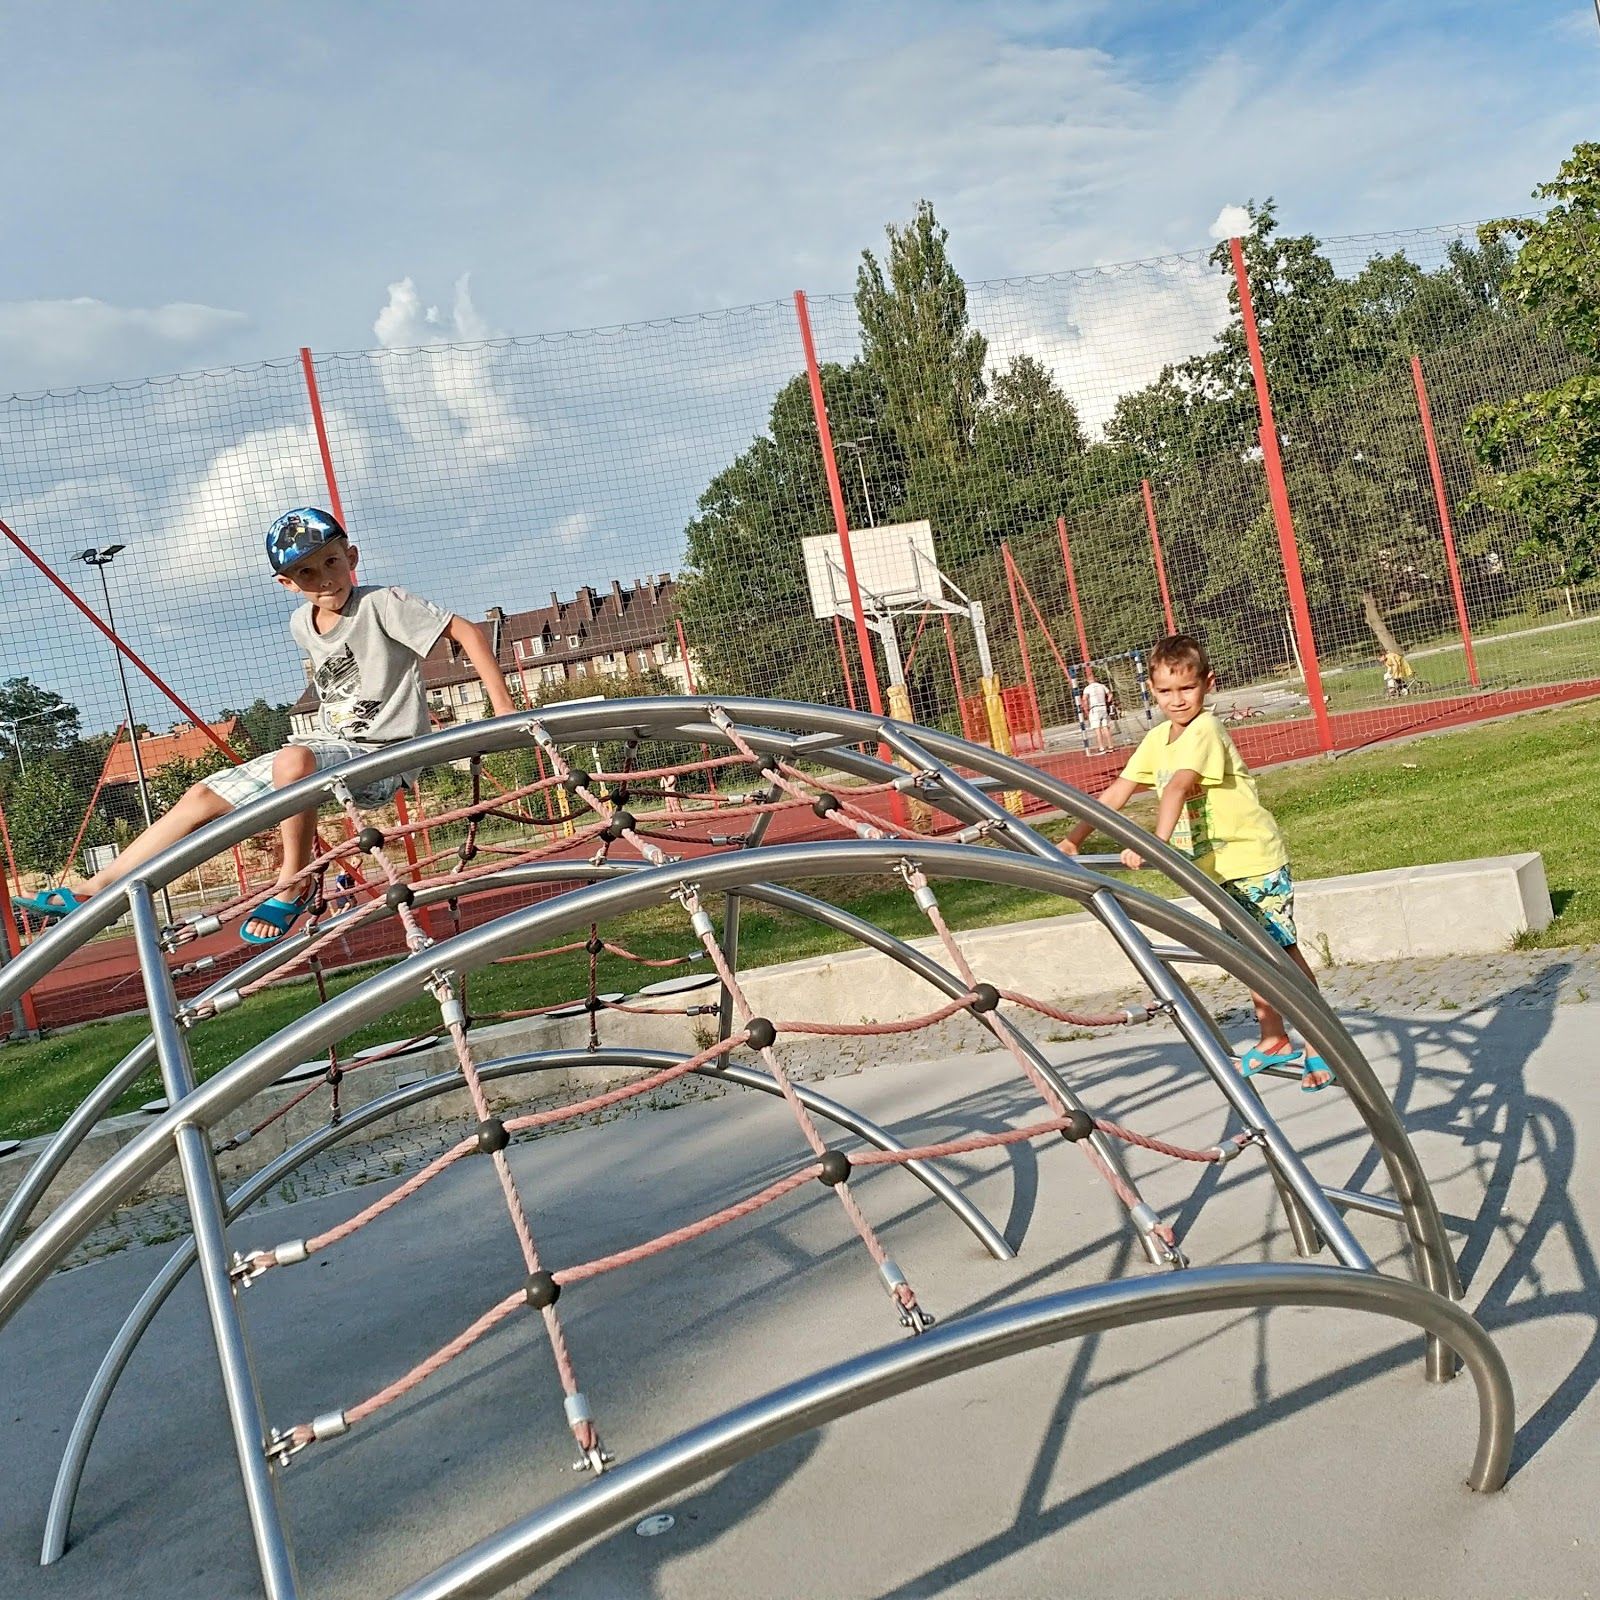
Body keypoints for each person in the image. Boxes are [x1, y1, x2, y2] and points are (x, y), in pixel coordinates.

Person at [14, 508, 515, 945]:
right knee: (200, 798)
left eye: (332, 563)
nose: (325, 580)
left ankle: (294, 881)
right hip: (327, 746)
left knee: (293, 760)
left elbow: (465, 631)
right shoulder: (303, 623)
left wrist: (503, 709)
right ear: (287, 584)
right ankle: (97, 887)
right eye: (307, 573)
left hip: (384, 758)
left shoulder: (382, 603)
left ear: (352, 557)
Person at [1063, 632, 1333, 1092]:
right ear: (1152, 690)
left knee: (1278, 953)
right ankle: (1273, 1039)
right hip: (1218, 870)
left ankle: (1320, 1041)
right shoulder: (1156, 739)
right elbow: (1116, 794)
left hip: (1252, 860)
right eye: (1166, 691)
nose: (1177, 700)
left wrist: (1156, 843)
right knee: (1250, 954)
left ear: (1208, 684)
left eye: (1187, 689)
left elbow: (1178, 786)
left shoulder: (1206, 730)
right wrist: (1072, 840)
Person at [1080, 673, 1115, 756]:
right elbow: (1110, 694)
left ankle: (1101, 747)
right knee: (1106, 728)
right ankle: (1110, 746)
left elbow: (1084, 699)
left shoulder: (1087, 688)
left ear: (1088, 680)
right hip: (1103, 707)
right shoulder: (1102, 686)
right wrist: (1108, 702)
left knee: (1097, 729)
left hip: (1094, 709)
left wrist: (1085, 707)